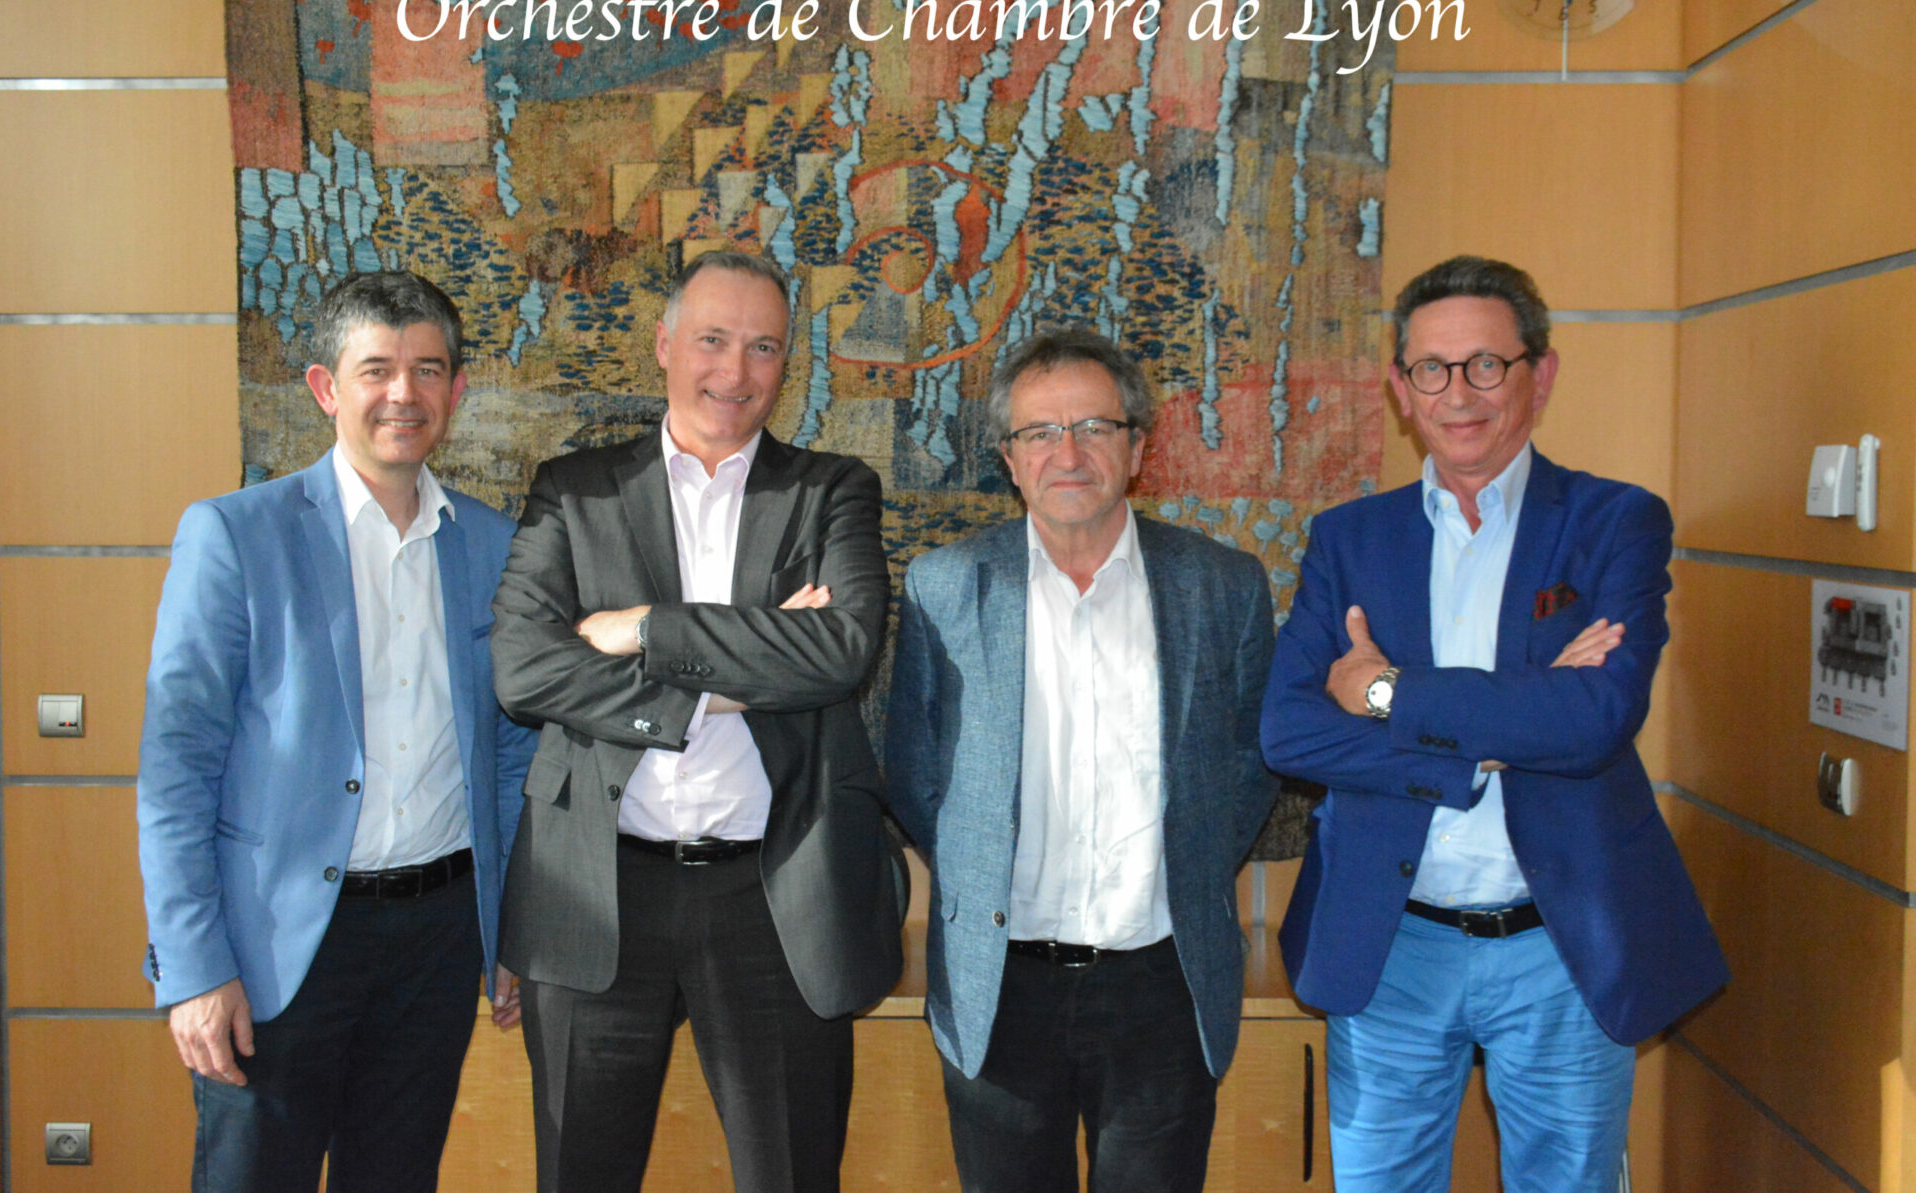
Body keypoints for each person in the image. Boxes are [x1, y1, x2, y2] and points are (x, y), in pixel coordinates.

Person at [1261, 255, 1729, 1192]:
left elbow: (1596, 719)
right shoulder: (1350, 538)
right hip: (1388, 939)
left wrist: (1389, 694)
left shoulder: (1614, 522)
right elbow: (1289, 731)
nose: (1458, 393)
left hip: (1561, 942)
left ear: (1539, 375)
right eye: (1431, 368)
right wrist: (1487, 746)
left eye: (1486, 364)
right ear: (1401, 389)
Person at [490, 249, 902, 1192]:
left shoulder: (833, 489)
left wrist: (642, 628)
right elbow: (523, 671)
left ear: (787, 361)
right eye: (713, 339)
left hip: (776, 895)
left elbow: (841, 651)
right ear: (665, 345)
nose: (736, 371)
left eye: (764, 347)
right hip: (595, 886)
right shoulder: (575, 489)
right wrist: (735, 678)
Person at [138, 270, 536, 1192]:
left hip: (437, 941)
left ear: (457, 390)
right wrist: (193, 967)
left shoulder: (493, 544)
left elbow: (513, 750)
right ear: (326, 387)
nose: (405, 393)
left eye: (427, 369)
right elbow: (177, 768)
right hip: (275, 947)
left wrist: (513, 924)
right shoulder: (235, 535)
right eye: (377, 369)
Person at [886, 326, 1279, 1193]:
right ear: (1009, 458)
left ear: (1137, 448)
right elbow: (915, 773)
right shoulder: (945, 586)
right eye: (1040, 432)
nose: (1068, 454)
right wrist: (977, 867)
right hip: (1000, 984)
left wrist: (1189, 865)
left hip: (1161, 983)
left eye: (1095, 427)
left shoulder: (1222, 585)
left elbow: (1250, 766)